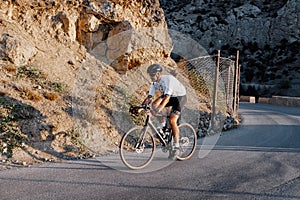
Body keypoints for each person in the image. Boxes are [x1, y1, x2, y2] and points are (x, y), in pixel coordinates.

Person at [142, 64, 187, 159]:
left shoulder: (168, 80)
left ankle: (177, 146)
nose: (150, 77)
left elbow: (166, 99)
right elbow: (149, 98)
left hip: (180, 97)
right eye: (149, 75)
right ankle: (163, 129)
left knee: (172, 120)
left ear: (158, 74)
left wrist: (158, 110)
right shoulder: (154, 83)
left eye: (152, 75)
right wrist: (141, 106)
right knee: (154, 104)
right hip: (170, 96)